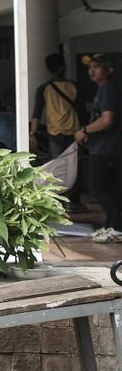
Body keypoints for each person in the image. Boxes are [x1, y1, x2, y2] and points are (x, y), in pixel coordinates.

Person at [76, 54, 122, 242]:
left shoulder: (107, 90)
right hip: (104, 148)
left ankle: (117, 226)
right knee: (108, 187)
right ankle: (112, 224)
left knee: (99, 187)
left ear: (108, 70)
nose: (92, 71)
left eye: (97, 67)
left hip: (106, 149)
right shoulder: (104, 90)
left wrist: (84, 130)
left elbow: (107, 120)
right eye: (90, 67)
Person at [32, 53, 83, 208]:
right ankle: (74, 201)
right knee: (75, 167)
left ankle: (58, 201)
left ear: (48, 69)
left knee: (57, 169)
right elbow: (81, 111)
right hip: (75, 132)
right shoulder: (74, 86)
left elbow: (36, 113)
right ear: (63, 67)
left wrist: (32, 134)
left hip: (55, 133)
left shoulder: (44, 88)